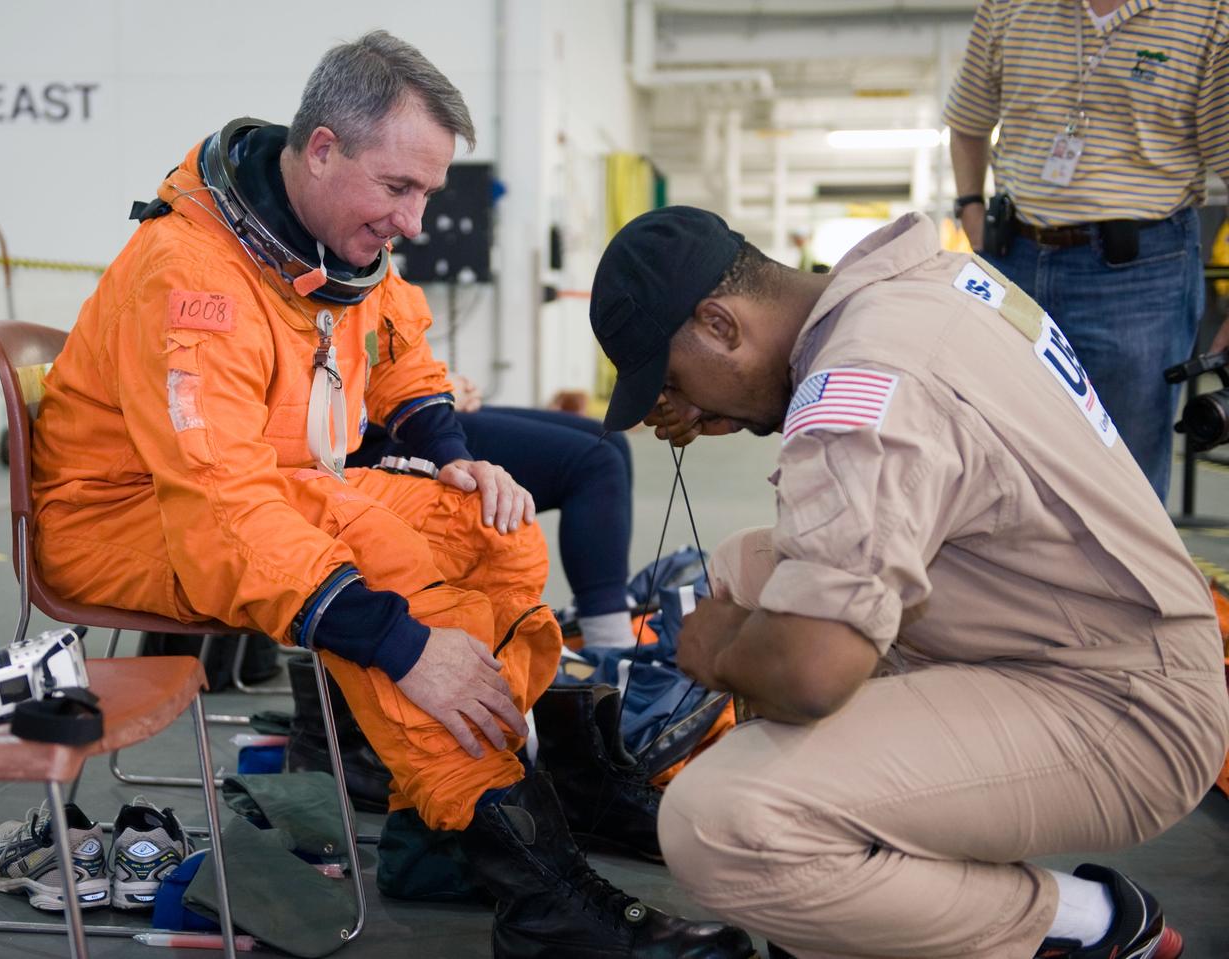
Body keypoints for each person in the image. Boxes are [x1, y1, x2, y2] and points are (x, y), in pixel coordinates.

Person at [29, 32, 753, 958]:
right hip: (126, 521)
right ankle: (541, 898)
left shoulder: (323, 245)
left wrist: (451, 456)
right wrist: (403, 645)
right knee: (390, 577)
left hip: (264, 495)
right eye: (399, 190)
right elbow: (221, 507)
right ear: (324, 148)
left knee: (497, 530)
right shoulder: (195, 280)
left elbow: (397, 352)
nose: (412, 222)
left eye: (426, 193)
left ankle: (445, 828)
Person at [587, 205, 1229, 959]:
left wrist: (720, 649)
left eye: (673, 381)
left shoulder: (866, 380)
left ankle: (1084, 923)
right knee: (743, 566)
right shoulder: (918, 284)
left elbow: (811, 671)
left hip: (1129, 707)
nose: (682, 410)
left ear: (721, 325)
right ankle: (864, 868)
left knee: (717, 820)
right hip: (1094, 623)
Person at [944, 0, 1229, 502]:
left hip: (1139, 278)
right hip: (1011, 263)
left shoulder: (1208, 16)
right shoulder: (1010, 6)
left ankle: (1122, 584)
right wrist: (971, 209)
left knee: (1122, 483)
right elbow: (967, 120)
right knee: (995, 464)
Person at [352, 371, 639, 649]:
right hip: (358, 443)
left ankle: (599, 612)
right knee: (595, 463)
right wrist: (432, 396)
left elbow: (396, 351)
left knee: (608, 437)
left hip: (389, 409)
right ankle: (610, 648)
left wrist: (434, 384)